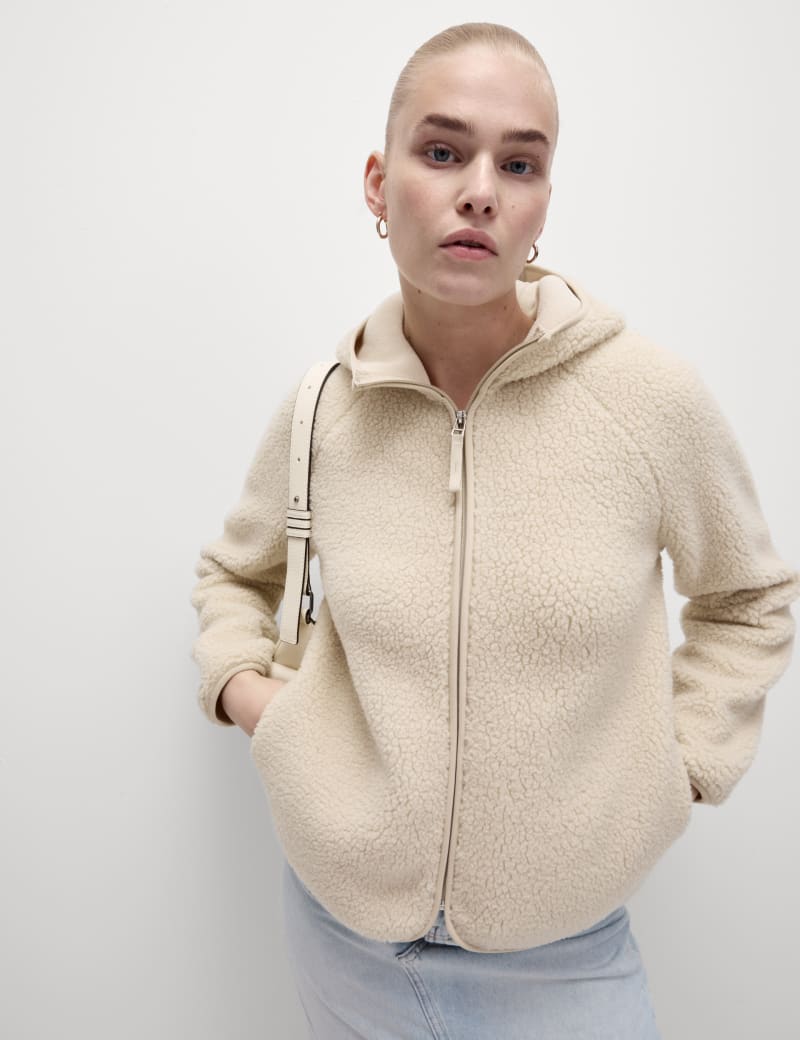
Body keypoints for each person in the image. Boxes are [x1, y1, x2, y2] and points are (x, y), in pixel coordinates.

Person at [190, 21, 800, 1039]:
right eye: (443, 151)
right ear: (379, 185)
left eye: (518, 164)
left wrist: (678, 768)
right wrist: (255, 700)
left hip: (563, 954)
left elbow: (748, 597)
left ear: (542, 202)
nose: (480, 190)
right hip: (339, 926)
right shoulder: (325, 407)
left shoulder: (646, 401)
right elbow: (234, 574)